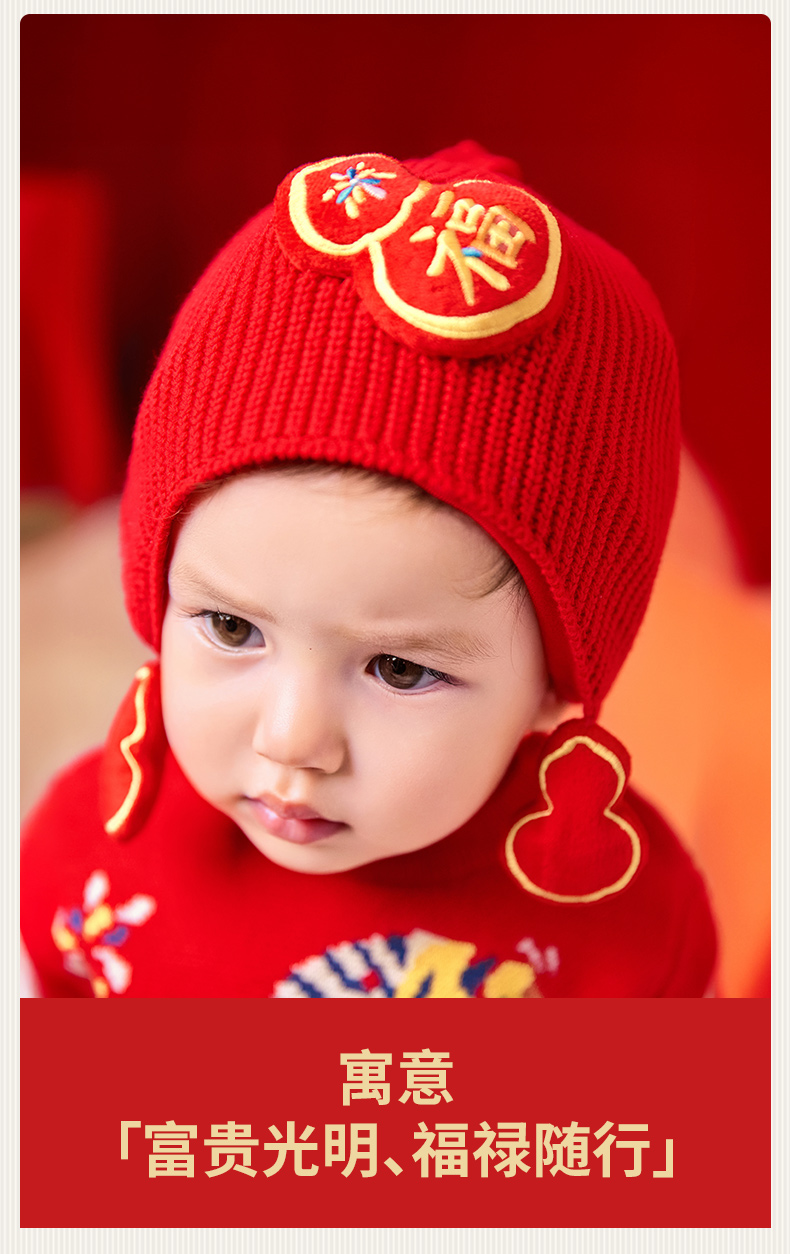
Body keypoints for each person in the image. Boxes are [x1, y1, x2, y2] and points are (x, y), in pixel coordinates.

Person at [20, 141, 716, 998]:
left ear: (555, 678)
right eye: (232, 628)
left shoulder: (628, 935)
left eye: (400, 669)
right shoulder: (89, 856)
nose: (292, 740)